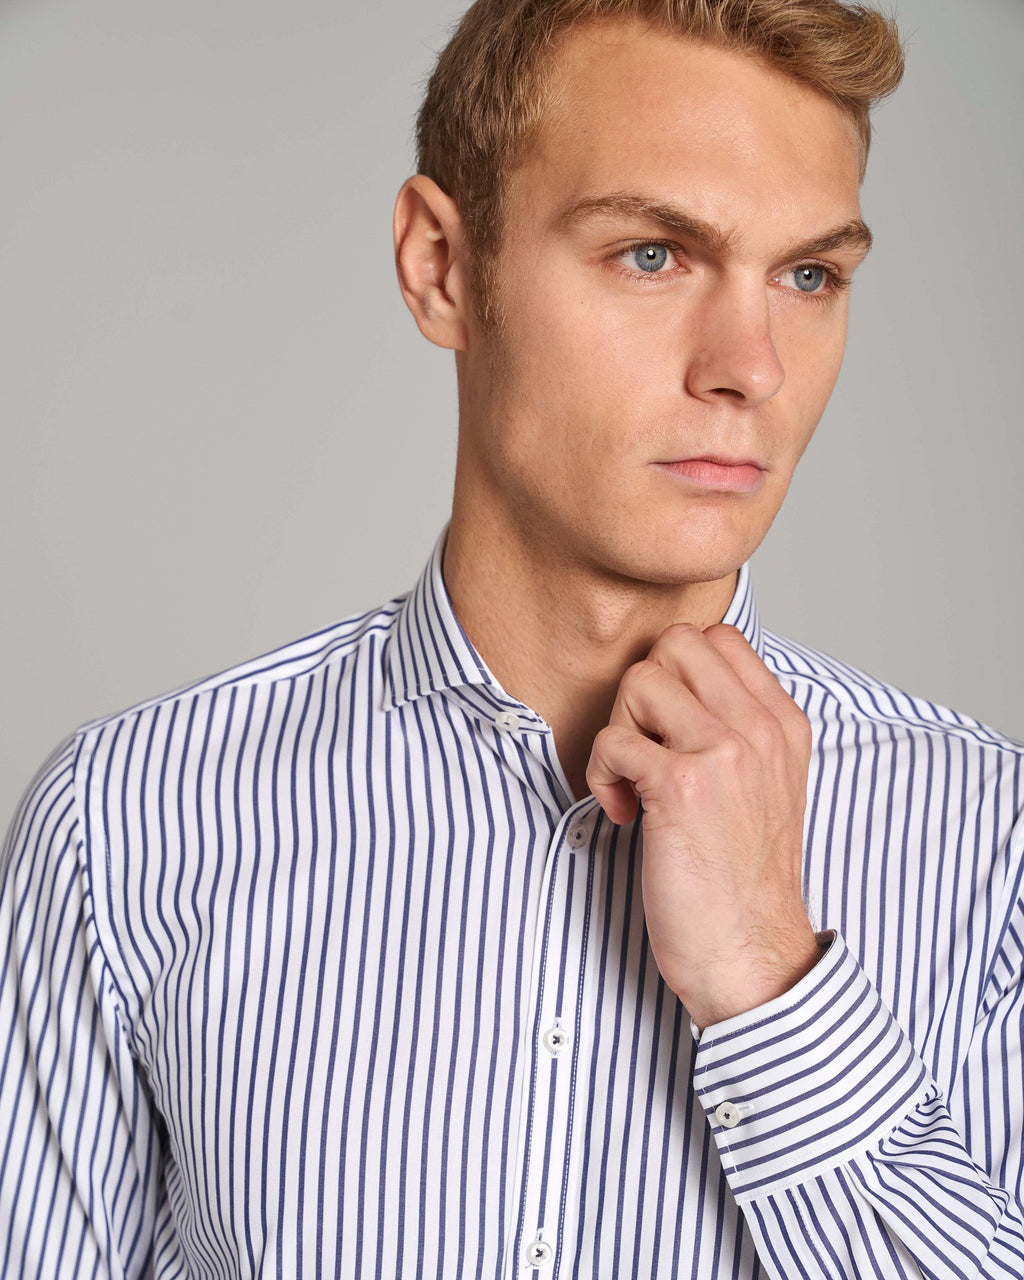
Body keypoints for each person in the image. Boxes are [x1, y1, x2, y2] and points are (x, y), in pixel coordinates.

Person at [1, 0, 1022, 1275]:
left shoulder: (991, 848)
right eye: (652, 254)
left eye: (807, 275)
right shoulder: (126, 824)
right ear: (441, 265)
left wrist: (770, 975)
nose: (749, 366)